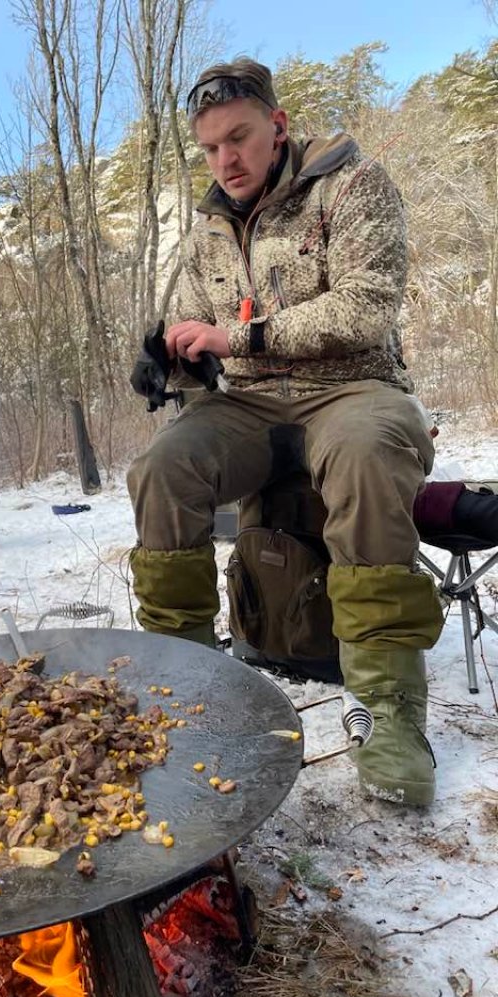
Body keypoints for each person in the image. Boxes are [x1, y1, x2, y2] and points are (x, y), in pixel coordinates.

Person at [127, 56, 445, 808]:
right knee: (163, 467)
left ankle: (390, 709)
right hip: (250, 405)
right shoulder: (208, 227)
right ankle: (183, 680)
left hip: (353, 389)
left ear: (277, 126)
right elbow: (205, 337)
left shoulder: (352, 184)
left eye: (238, 138)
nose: (225, 160)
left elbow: (365, 309)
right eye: (209, 148)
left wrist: (235, 339)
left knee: (367, 454)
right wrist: (168, 361)